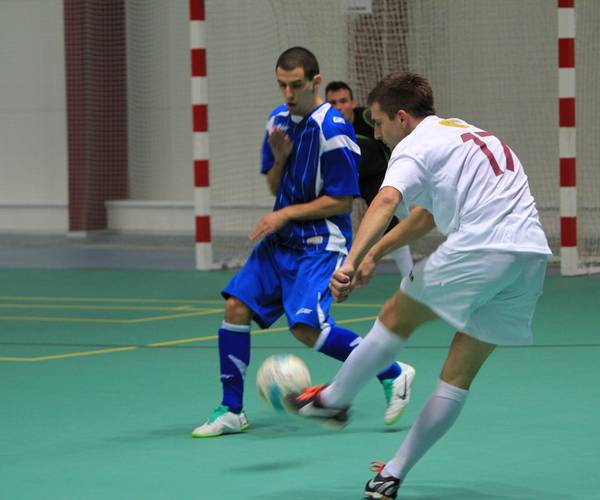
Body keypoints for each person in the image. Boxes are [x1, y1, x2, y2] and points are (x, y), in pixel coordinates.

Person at [288, 72, 551, 498]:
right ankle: (391, 473)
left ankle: (335, 399)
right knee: (457, 376)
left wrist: (350, 261)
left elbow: (386, 200)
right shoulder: (461, 133)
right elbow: (424, 218)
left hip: (482, 247)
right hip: (529, 258)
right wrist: (374, 254)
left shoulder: (412, 145)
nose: (377, 133)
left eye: (378, 123)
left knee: (395, 317)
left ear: (402, 117)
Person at [191, 48, 416, 439]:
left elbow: (341, 200)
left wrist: (282, 215)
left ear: (315, 82)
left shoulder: (334, 130)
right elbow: (275, 186)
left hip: (320, 243)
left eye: (296, 85)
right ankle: (231, 410)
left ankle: (392, 371)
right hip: (280, 243)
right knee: (235, 307)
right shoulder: (277, 121)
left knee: (306, 328)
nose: (288, 93)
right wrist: (279, 159)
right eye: (281, 84)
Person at [325, 81, 413, 277]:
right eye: (332, 103)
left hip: (376, 176)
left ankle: (410, 277)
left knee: (392, 224)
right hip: (344, 181)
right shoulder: (322, 128)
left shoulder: (368, 118)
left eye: (343, 101)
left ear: (353, 103)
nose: (338, 107)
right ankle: (330, 274)